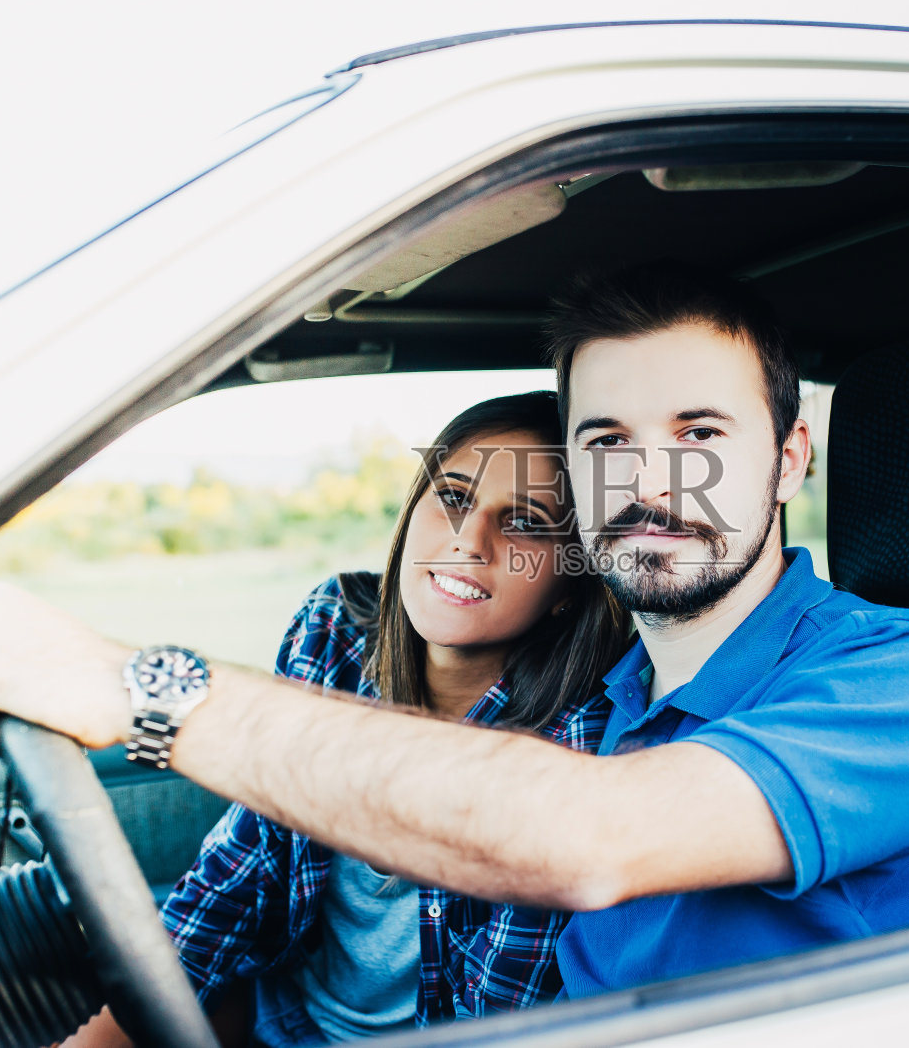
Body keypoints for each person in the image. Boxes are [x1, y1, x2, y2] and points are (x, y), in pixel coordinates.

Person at [0, 263, 909, 1006]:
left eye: (699, 434)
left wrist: (141, 687)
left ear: (787, 458)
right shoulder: (610, 693)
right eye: (605, 441)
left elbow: (584, 839)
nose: (646, 482)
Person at [66, 392, 631, 1046]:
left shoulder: (573, 741)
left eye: (526, 521)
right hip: (281, 1010)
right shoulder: (335, 627)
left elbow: (496, 1019)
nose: (467, 541)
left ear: (568, 584)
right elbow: (247, 857)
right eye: (452, 497)